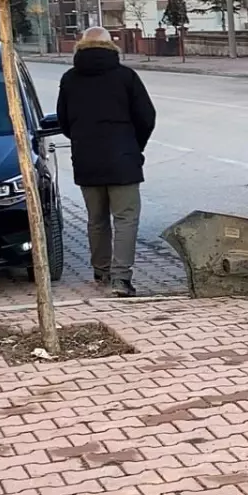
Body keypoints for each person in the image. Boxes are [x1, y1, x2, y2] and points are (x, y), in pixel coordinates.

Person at [57, 27, 157, 298]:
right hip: (123, 158)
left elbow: (63, 121)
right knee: (125, 218)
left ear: (81, 46)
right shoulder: (126, 77)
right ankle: (121, 279)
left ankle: (101, 272)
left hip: (86, 159)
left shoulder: (70, 79)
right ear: (111, 47)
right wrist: (134, 145)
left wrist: (83, 139)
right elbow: (146, 117)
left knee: (96, 219)